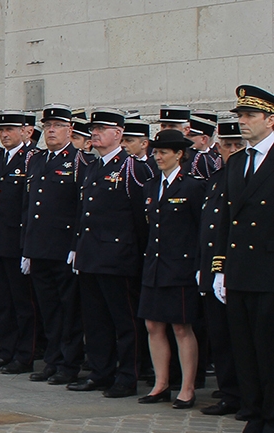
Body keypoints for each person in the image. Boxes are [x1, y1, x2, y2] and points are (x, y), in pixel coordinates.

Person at [68, 109, 152, 399]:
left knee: (125, 321)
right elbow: (84, 211)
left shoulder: (131, 167)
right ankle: (101, 372)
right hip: (92, 255)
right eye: (93, 128)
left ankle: (128, 375)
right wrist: (77, 249)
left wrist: (137, 254)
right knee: (96, 320)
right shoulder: (92, 166)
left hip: (119, 256)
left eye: (102, 128)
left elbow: (142, 217)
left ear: (118, 133)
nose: (95, 133)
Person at [213, 84, 274, 433]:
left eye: (250, 115)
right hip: (239, 270)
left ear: (271, 119)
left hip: (268, 271)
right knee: (245, 350)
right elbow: (225, 220)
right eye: (240, 116)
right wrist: (220, 267)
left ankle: (272, 420)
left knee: (268, 350)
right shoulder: (237, 162)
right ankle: (253, 417)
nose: (243, 122)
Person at [137, 129, 205, 407]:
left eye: (164, 152)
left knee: (181, 327)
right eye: (155, 152)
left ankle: (187, 387)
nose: (158, 157)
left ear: (179, 154)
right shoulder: (152, 186)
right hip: (155, 264)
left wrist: (200, 266)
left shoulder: (192, 186)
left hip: (180, 266)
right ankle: (160, 383)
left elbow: (202, 230)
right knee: (153, 324)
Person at [22, 105, 85, 385]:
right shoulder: (36, 160)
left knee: (68, 310)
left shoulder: (80, 162)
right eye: (47, 126)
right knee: (47, 308)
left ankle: (69, 364)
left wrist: (75, 246)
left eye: (57, 126)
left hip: (63, 248)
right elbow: (29, 206)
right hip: (39, 248)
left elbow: (83, 208)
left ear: (70, 130)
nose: (50, 131)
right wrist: (27, 247)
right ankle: (53, 359)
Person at [0, 110, 39, 374]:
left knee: (22, 303)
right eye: (1, 131)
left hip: (16, 243)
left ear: (25, 131)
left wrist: (28, 246)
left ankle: (25, 354)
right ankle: (7, 350)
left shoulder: (30, 160)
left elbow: (29, 206)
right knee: (2, 302)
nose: (5, 135)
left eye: (10, 130)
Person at [198, 119, 244, 416]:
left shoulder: (245, 178)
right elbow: (207, 226)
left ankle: (243, 394)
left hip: (233, 268)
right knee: (220, 335)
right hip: (211, 267)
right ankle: (229, 392)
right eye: (226, 145)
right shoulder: (216, 178)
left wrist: (222, 267)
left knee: (239, 338)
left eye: (237, 144)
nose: (231, 150)